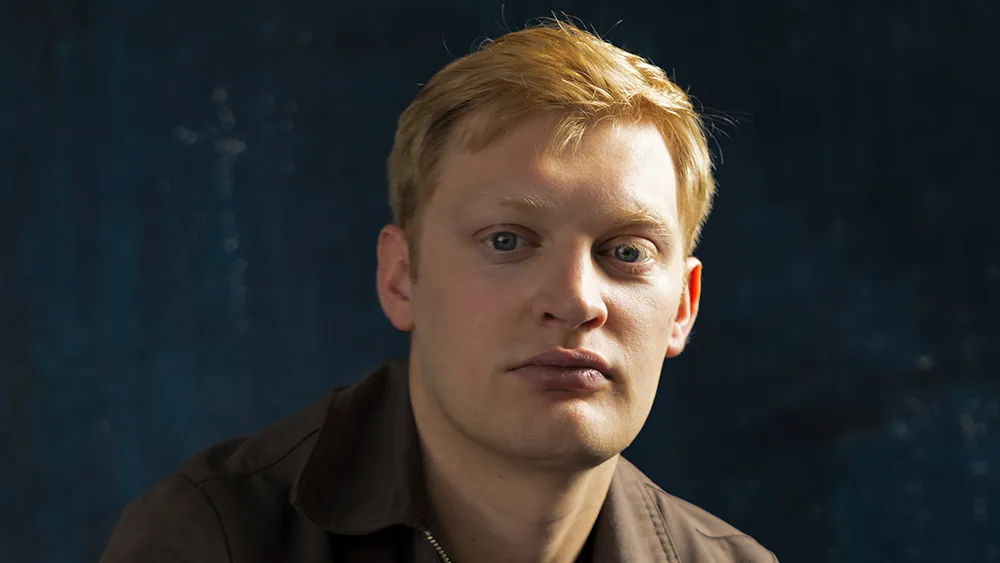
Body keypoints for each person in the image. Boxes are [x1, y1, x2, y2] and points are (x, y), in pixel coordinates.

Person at [102, 18, 778, 563]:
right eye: (507, 240)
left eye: (626, 251)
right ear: (401, 278)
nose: (574, 301)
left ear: (682, 307)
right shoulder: (211, 538)